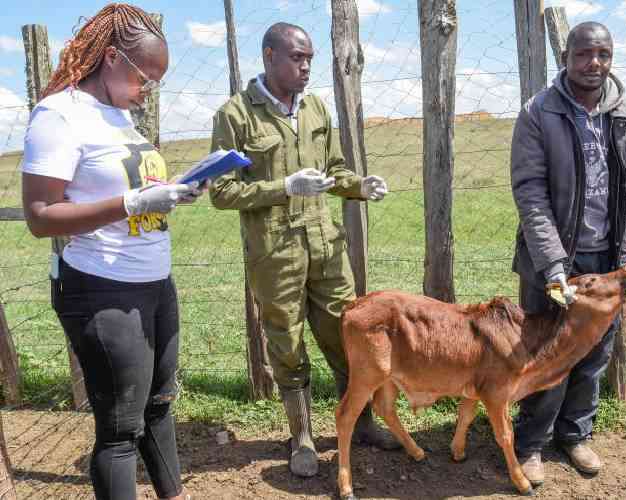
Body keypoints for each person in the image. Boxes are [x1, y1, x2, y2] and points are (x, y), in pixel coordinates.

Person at [20, 4, 199, 500]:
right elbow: (40, 215)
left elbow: (132, 200)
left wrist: (170, 193)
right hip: (101, 288)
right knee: (120, 429)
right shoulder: (60, 114)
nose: (150, 90)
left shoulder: (120, 117)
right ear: (113, 57)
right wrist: (133, 201)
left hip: (154, 283)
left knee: (160, 405)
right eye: (147, 77)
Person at [209, 22, 398, 478]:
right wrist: (283, 187)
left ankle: (362, 424)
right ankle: (303, 438)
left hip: (326, 247)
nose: (306, 67)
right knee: (287, 346)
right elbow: (219, 190)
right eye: (297, 57)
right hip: (276, 255)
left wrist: (359, 186)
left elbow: (333, 169)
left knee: (349, 336)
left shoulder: (314, 108)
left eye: (310, 58)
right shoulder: (237, 115)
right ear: (270, 55)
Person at [510, 21, 626, 485]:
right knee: (544, 354)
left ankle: (574, 436)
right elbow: (530, 193)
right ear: (565, 58)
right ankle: (529, 444)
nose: (594, 63)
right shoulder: (539, 112)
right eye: (584, 54)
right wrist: (553, 266)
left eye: (603, 54)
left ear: (612, 58)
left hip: (606, 261)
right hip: (553, 261)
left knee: (593, 355)